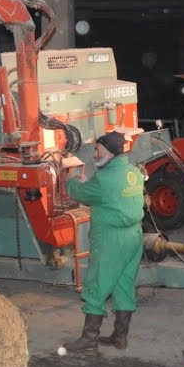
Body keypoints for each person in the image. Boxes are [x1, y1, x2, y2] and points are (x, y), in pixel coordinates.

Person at [62, 131, 144, 352]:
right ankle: (120, 337)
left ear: (108, 152)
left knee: (97, 284)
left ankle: (89, 337)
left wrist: (68, 180)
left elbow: (80, 193)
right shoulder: (133, 172)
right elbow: (111, 195)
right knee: (123, 285)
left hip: (111, 239)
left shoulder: (105, 179)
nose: (95, 154)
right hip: (134, 237)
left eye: (97, 150)